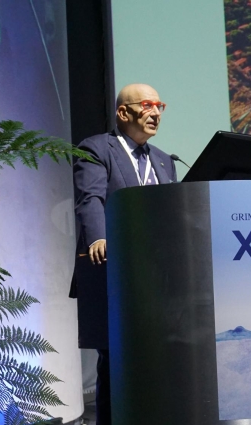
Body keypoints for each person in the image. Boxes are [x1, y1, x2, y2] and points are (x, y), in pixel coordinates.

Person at [70, 83, 177, 425]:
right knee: (116, 363)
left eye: (160, 105)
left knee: (158, 363)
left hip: (158, 278)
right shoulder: (97, 148)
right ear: (123, 112)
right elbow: (91, 199)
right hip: (113, 274)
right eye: (147, 105)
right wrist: (98, 239)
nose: (156, 113)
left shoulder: (163, 160)